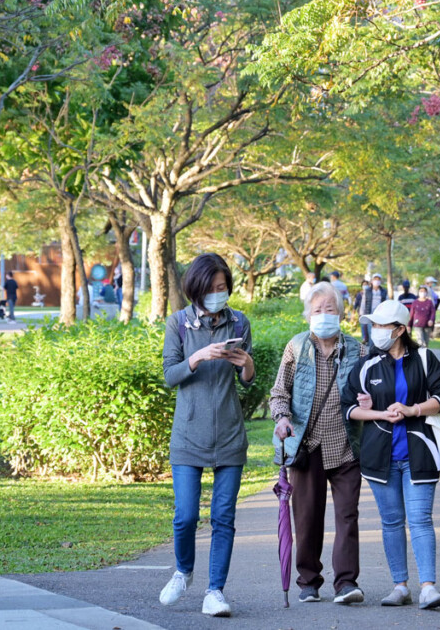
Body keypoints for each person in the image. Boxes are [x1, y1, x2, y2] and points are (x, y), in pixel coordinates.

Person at [341, 300, 440, 610]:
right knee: (391, 522)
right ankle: (400, 585)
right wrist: (377, 412)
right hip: (380, 457)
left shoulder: (424, 358)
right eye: (374, 325)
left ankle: (428, 588)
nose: (375, 331)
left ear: (400, 330)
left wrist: (413, 409)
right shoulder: (366, 365)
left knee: (420, 520)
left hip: (420, 453)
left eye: (381, 326)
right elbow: (348, 407)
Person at [160, 253, 256, 617]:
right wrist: (197, 357)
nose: (219, 294)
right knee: (185, 516)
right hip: (188, 436)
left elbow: (247, 384)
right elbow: (170, 376)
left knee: (223, 517)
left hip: (230, 436)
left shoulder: (239, 322)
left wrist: (247, 365)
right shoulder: (179, 323)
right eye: (213, 288)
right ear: (196, 289)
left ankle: (215, 590)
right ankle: (183, 571)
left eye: (223, 287)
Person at [270, 282, 367, 605]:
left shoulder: (358, 350)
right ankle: (308, 581)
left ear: (340, 313)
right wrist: (282, 418)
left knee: (347, 516)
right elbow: (279, 393)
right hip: (306, 445)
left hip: (346, 445)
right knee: (307, 518)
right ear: (307, 315)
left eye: (330, 309)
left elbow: (372, 390)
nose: (324, 315)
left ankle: (346, 583)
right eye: (317, 310)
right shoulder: (296, 347)